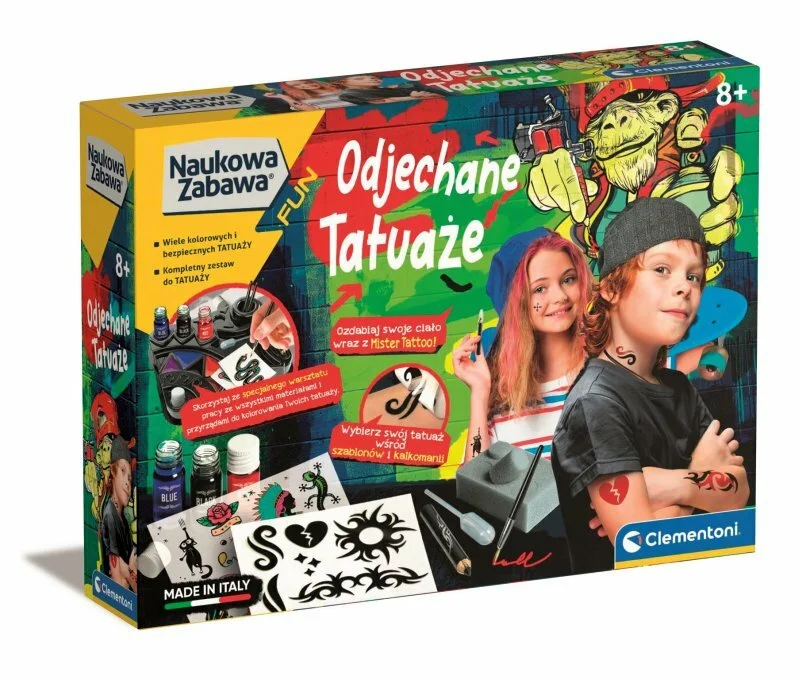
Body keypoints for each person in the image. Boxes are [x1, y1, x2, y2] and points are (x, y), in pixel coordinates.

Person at [550, 198, 749, 574]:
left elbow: (738, 491)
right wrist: (700, 473)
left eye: (694, 277)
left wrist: (668, 487)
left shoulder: (679, 388)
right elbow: (644, 551)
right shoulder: (596, 403)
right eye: (661, 269)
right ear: (611, 288)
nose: (684, 287)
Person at [452, 229, 592, 463]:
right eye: (540, 289)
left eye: (568, 279)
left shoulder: (609, 372)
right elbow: (476, 480)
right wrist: (479, 394)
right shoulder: (502, 401)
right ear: (516, 304)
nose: (560, 296)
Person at [100, 437, 137, 592]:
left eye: (130, 477)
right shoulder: (110, 514)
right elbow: (118, 574)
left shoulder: (123, 519)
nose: (128, 482)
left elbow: (130, 560)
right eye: (123, 471)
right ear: (113, 472)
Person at [333, 74, 438, 106]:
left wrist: (413, 93)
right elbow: (381, 102)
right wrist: (413, 97)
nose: (370, 79)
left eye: (372, 77)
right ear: (344, 83)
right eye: (360, 79)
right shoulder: (349, 94)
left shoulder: (386, 89)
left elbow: (408, 91)